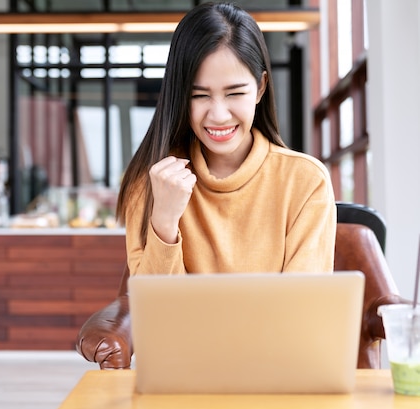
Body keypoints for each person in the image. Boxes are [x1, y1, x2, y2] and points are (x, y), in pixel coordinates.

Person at [117, 2, 336, 276]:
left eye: (234, 94)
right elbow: (156, 312)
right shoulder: (152, 184)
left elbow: (302, 307)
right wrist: (164, 221)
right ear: (180, 96)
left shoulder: (305, 181)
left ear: (260, 88)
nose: (219, 115)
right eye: (199, 95)